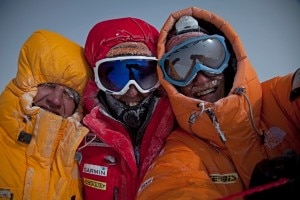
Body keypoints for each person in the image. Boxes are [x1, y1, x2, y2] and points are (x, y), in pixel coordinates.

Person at [136, 7, 300, 199]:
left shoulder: (280, 98)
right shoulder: (183, 147)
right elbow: (172, 185)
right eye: (182, 68)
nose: (201, 78)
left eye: (210, 57)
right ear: (170, 82)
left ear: (229, 60)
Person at [76, 17, 174, 200]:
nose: (132, 91)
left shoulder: (180, 125)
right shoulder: (77, 135)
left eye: (144, 76)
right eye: (116, 77)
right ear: (97, 81)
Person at [0, 30, 91, 199]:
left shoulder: (81, 160)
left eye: (69, 95)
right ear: (26, 84)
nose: (55, 100)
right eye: (48, 85)